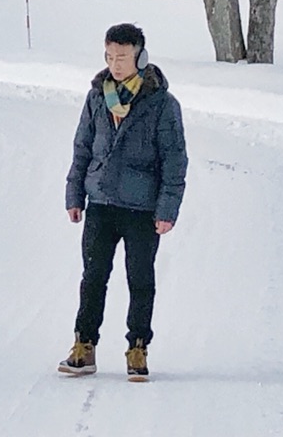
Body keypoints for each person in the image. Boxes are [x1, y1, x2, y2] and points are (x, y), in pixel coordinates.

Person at [58, 21, 188, 382]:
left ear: (140, 57)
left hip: (142, 208)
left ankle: (138, 347)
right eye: (111, 56)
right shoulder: (98, 95)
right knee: (93, 277)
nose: (116, 64)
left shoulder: (161, 104)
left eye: (124, 57)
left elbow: (175, 159)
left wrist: (167, 209)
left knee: (140, 279)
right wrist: (75, 193)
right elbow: (82, 146)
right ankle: (84, 346)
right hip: (100, 201)